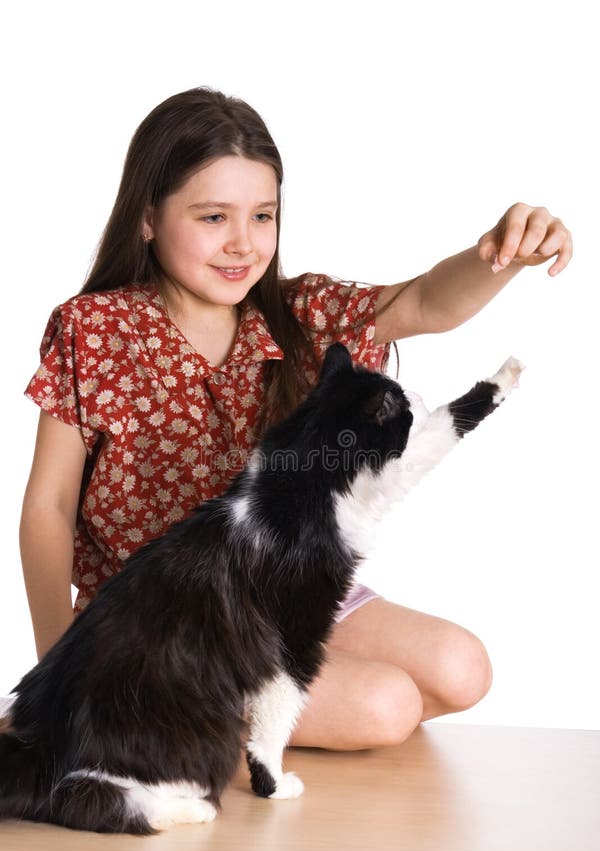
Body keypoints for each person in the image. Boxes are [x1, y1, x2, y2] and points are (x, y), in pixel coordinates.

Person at [19, 87, 572, 752]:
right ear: (146, 218)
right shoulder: (98, 328)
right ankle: (151, 716)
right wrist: (60, 675)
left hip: (287, 588)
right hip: (169, 622)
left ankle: (204, 730)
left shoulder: (299, 312)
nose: (242, 244)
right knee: (386, 707)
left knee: (464, 669)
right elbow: (48, 505)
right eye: (213, 217)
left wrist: (502, 254)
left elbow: (426, 301)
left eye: (262, 216)